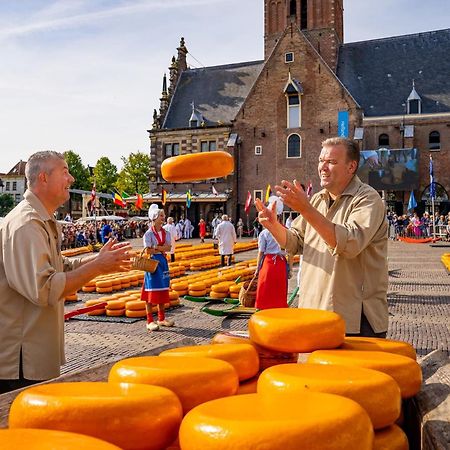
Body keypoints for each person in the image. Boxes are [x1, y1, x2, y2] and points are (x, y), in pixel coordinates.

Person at [0, 151, 131, 394]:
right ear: (43, 178)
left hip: (29, 356)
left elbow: (61, 267)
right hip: (20, 360)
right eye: (65, 171)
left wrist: (99, 260)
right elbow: (45, 288)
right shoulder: (27, 224)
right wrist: (98, 266)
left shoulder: (41, 219)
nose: (71, 179)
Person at [256, 137, 388, 337]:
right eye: (321, 160)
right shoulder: (317, 199)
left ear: (351, 166)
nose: (323, 167)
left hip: (354, 319)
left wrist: (305, 209)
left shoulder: (368, 199)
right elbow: (294, 242)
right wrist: (273, 225)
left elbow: (349, 244)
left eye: (332, 162)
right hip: (314, 311)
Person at [141, 204, 174, 332]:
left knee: (162, 291)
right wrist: (160, 248)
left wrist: (157, 248)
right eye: (161, 216)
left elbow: (168, 248)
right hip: (152, 265)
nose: (163, 218)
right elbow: (148, 250)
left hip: (162, 263)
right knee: (150, 292)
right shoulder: (148, 234)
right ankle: (149, 321)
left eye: (163, 216)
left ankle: (161, 318)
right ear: (154, 218)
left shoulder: (166, 233)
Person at [255, 197, 288, 310]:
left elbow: (261, 252)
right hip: (281, 262)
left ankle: (265, 307)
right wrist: (291, 269)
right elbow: (290, 250)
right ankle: (279, 306)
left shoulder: (264, 233)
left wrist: (257, 267)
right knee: (279, 286)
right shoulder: (285, 229)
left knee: (266, 285)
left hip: (269, 262)